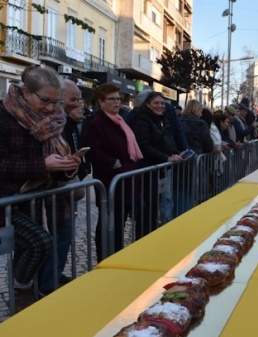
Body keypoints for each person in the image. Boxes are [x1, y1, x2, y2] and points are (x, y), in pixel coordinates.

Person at [0, 66, 80, 311]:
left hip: (29, 197)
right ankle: (20, 288)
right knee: (40, 242)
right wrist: (42, 164)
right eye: (45, 100)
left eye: (56, 102)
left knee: (27, 248)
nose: (51, 108)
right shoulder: (4, 117)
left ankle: (23, 294)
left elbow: (54, 157)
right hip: (6, 199)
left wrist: (67, 165)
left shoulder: (51, 120)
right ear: (26, 92)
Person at [38, 79, 89, 295]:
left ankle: (52, 276)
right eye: (73, 99)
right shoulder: (53, 122)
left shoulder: (67, 120)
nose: (77, 103)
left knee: (63, 235)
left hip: (63, 184)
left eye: (79, 99)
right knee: (52, 237)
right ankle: (45, 284)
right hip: (49, 186)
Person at [84, 83, 144, 262]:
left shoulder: (119, 119)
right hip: (111, 182)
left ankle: (118, 254)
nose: (117, 102)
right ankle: (106, 257)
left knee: (120, 221)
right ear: (101, 102)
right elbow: (93, 150)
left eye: (119, 98)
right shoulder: (97, 123)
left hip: (126, 181)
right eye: (112, 99)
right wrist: (114, 163)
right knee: (109, 222)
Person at [130, 91, 184, 225]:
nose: (160, 106)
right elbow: (144, 146)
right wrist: (166, 158)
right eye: (156, 103)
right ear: (148, 104)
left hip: (158, 171)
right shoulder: (143, 119)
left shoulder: (161, 119)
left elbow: (166, 141)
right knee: (147, 211)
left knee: (154, 208)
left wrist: (175, 153)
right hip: (147, 170)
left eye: (162, 103)